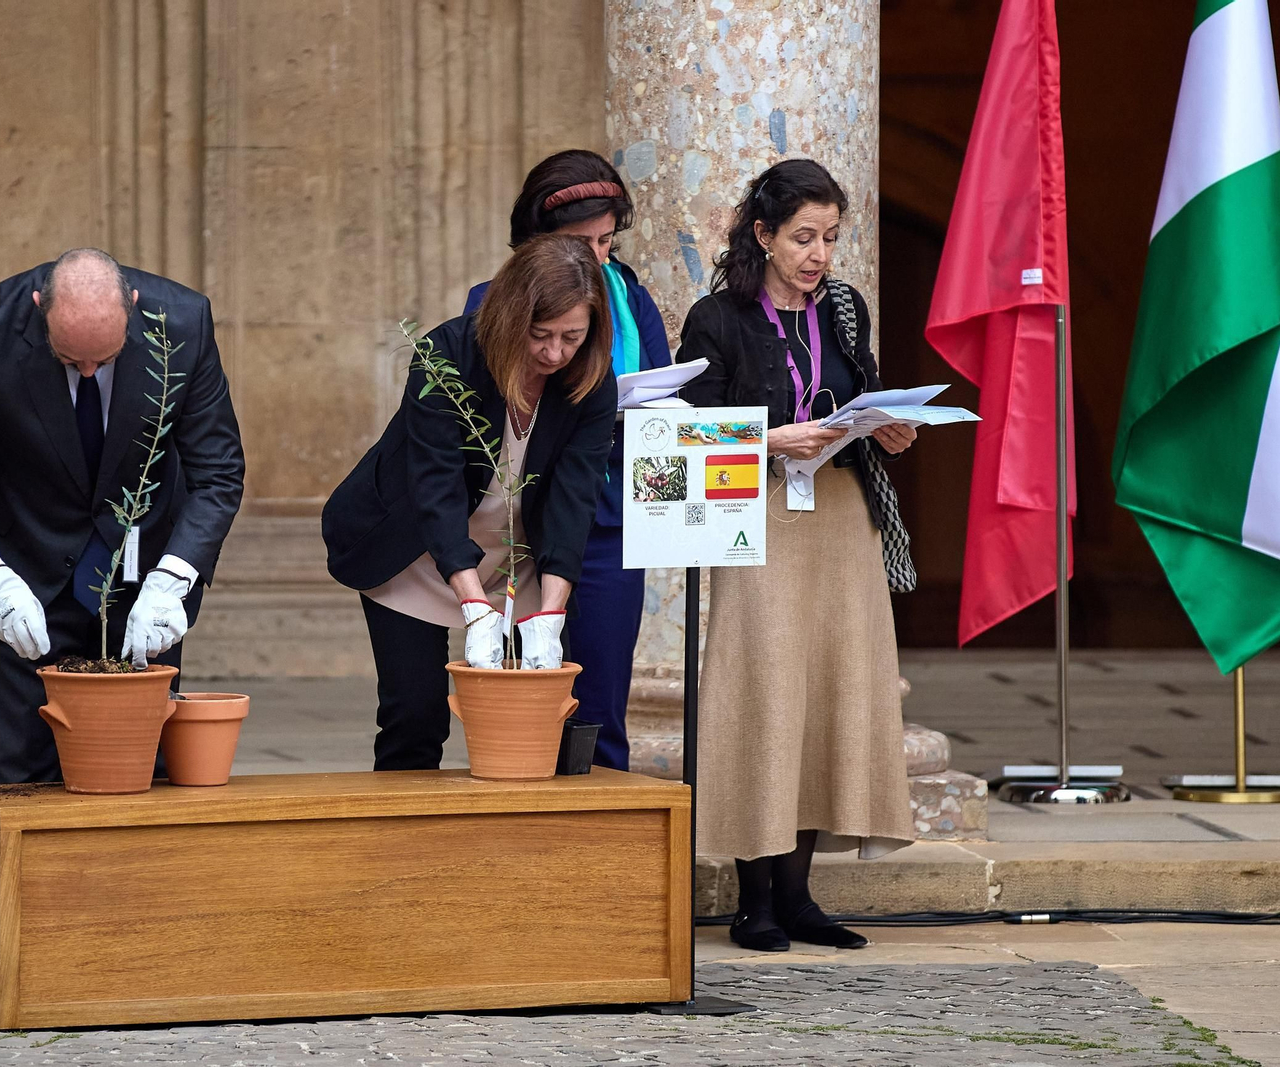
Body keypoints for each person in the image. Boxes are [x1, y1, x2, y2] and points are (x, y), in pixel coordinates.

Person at [676, 159, 918, 952]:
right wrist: (766, 438)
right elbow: (685, 431)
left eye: (831, 238)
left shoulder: (846, 309)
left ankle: (801, 896)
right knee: (766, 693)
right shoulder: (718, 318)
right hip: (762, 517)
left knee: (828, 693)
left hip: (842, 518)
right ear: (764, 235)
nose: (819, 255)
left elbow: (865, 389)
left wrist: (888, 427)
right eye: (803, 238)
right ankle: (756, 903)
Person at [0, 248, 246, 785]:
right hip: (22, 573)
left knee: (143, 766)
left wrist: (173, 579)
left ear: (133, 308)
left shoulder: (183, 323)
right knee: (24, 770)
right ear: (40, 308)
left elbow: (219, 473)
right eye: (71, 360)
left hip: (144, 580)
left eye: (104, 360)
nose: (89, 371)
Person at [323, 233, 617, 771]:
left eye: (572, 337)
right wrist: (473, 604)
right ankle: (405, 845)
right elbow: (433, 487)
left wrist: (550, 613)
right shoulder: (446, 356)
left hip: (517, 553)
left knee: (540, 716)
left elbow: (575, 499)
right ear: (510, 317)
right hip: (415, 548)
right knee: (415, 713)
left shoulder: (590, 382)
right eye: (540, 335)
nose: (555, 353)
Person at [464, 149, 671, 770]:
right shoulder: (488, 301)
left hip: (611, 519)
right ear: (538, 239)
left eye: (607, 240)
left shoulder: (631, 300)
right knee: (519, 709)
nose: (598, 257)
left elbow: (664, 392)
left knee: (602, 704)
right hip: (524, 525)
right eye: (580, 242)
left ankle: (610, 855)